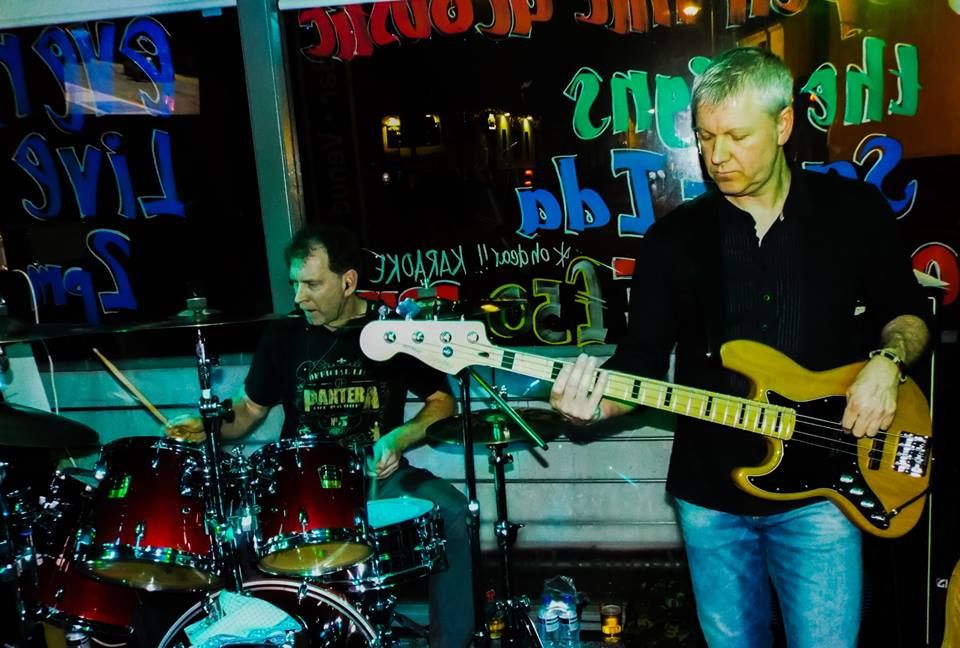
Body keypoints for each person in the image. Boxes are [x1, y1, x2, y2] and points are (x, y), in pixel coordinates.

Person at [549, 47, 930, 647]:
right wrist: (590, 407)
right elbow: (640, 362)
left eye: (736, 136)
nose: (717, 156)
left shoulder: (853, 212)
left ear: (783, 125)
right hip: (711, 501)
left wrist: (886, 363)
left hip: (827, 490)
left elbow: (906, 314)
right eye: (705, 137)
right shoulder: (674, 239)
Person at [166, 224, 474, 648]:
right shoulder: (283, 336)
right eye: (295, 284)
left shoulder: (392, 332)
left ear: (348, 281)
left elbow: (442, 402)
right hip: (301, 486)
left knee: (454, 513)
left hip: (378, 477)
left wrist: (399, 439)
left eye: (311, 284)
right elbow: (249, 409)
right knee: (236, 532)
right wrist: (209, 425)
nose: (299, 297)